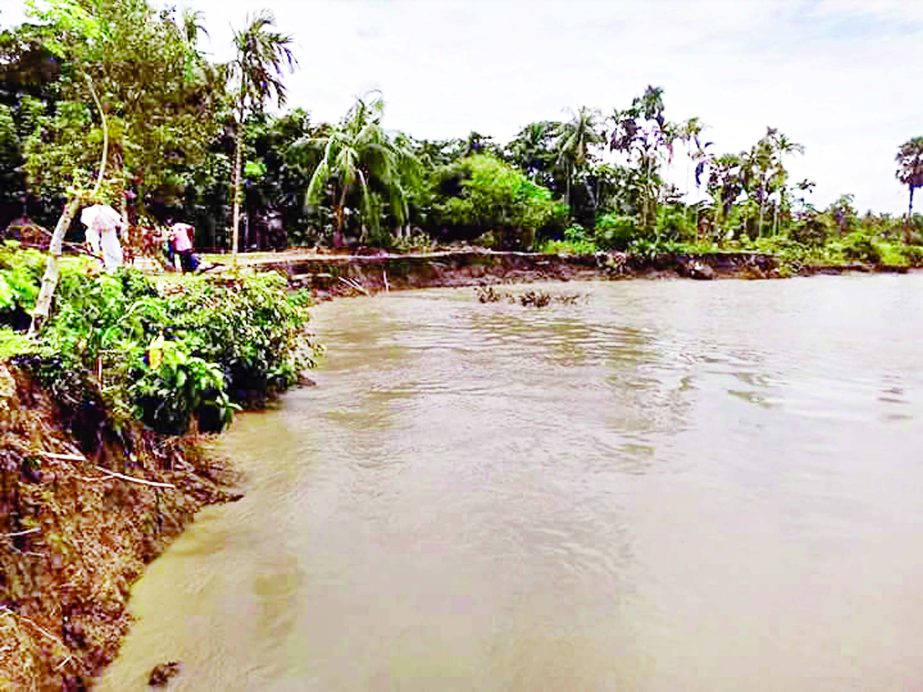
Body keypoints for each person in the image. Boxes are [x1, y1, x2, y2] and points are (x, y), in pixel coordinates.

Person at [80, 202, 123, 273]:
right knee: (93, 245)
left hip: (108, 233)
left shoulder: (108, 211)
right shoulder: (91, 212)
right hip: (95, 233)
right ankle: (96, 265)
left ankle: (112, 266)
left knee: (110, 245)